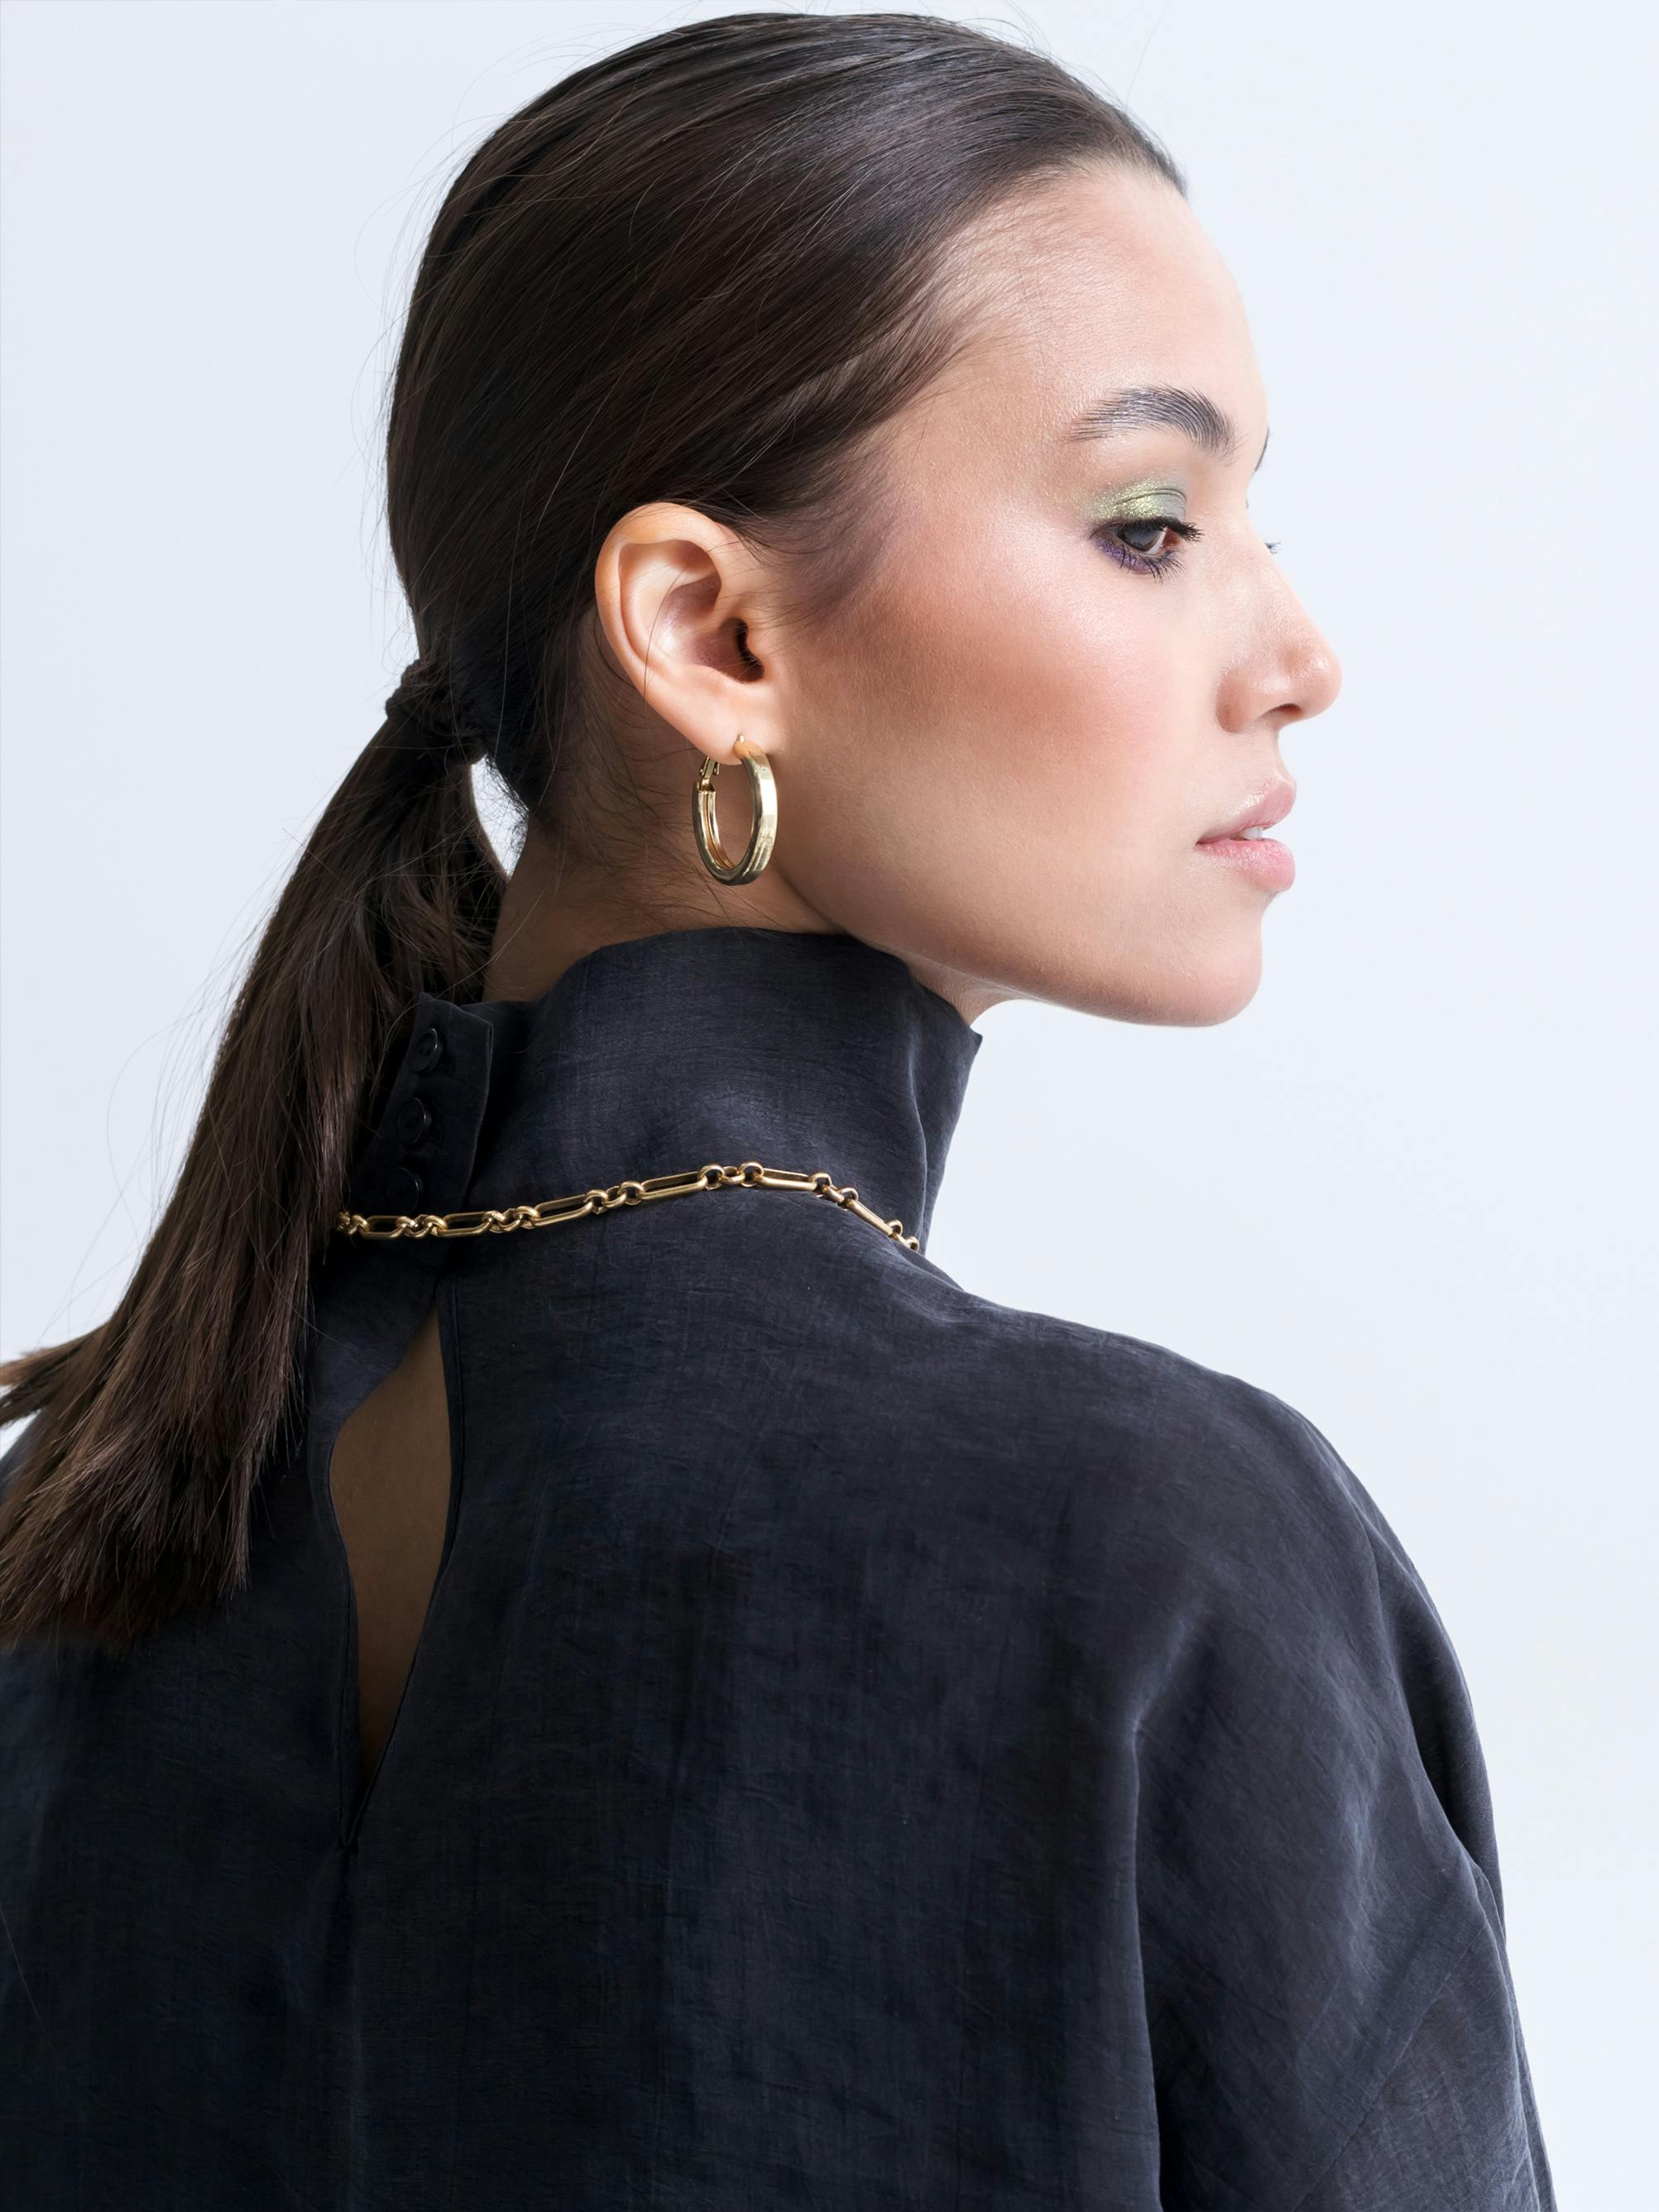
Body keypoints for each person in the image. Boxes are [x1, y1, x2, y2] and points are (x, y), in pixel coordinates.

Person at [0, 12, 1555, 2206]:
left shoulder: (82, 1527)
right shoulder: (1154, 1546)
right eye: (1146, 521)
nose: (1295, 644)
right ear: (708, 634)